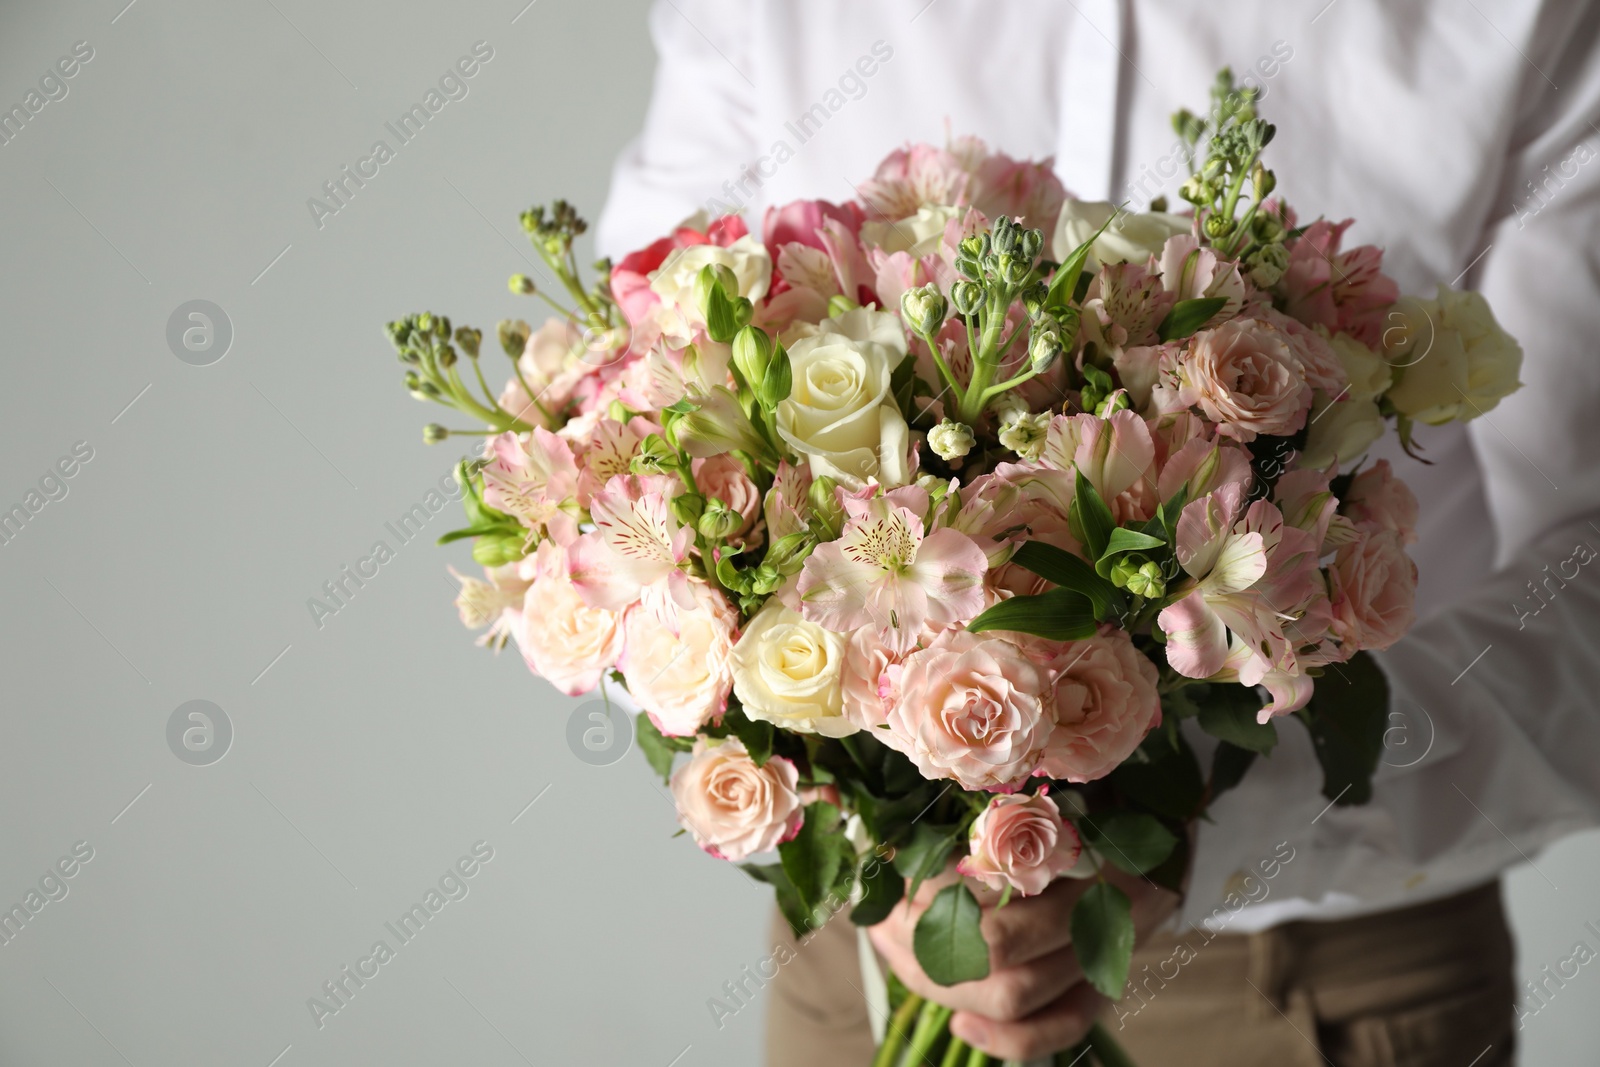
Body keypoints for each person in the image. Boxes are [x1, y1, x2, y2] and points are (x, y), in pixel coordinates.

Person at [596, 2, 1600, 1063]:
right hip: (877, 961)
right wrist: (861, 819)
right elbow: (626, 425)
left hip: (1304, 987)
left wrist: (1211, 825)